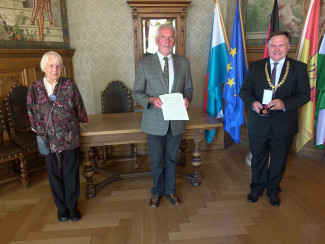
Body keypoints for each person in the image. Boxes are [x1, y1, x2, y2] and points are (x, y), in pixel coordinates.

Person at [239, 31, 310, 207]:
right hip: (258, 123)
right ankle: (256, 188)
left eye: (281, 45)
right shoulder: (255, 67)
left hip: (284, 124)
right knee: (258, 158)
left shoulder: (299, 68)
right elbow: (244, 91)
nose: (277, 49)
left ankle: (272, 190)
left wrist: (284, 103)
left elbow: (304, 96)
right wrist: (253, 102)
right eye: (273, 45)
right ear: (268, 47)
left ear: (288, 48)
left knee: (279, 159)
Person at [133, 23, 193, 208]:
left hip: (176, 120)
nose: (167, 41)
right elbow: (136, 92)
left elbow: (189, 89)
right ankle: (157, 191)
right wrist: (151, 99)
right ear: (156, 40)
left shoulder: (184, 63)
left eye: (171, 37)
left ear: (174, 40)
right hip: (154, 121)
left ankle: (170, 190)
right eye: (164, 37)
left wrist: (187, 100)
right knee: (157, 160)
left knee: (172, 159)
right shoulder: (144, 63)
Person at [27, 51, 88, 221]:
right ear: (44, 68)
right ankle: (61, 208)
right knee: (54, 174)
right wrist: (38, 129)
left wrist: (82, 120)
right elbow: (31, 111)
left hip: (69, 136)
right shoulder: (35, 87)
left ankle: (72, 207)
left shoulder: (69, 84)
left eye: (58, 66)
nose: (55, 69)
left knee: (71, 173)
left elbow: (79, 106)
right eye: (51, 66)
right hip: (48, 139)